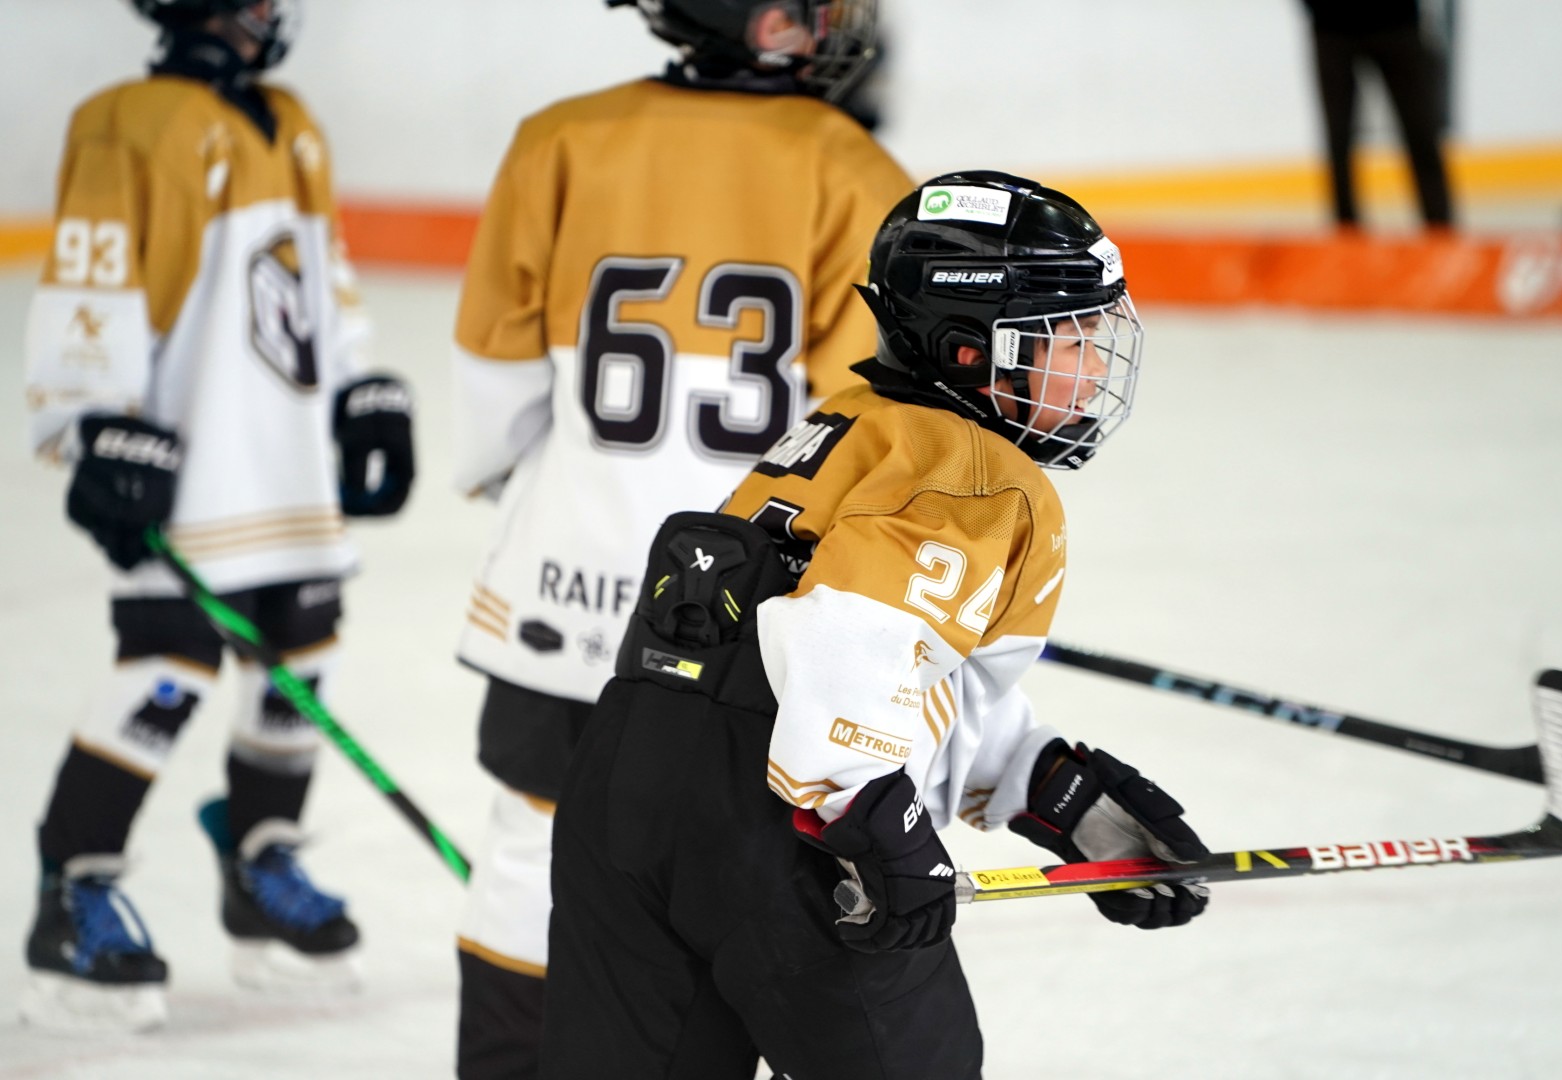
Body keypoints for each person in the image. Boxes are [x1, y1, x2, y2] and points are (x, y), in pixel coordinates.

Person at [536, 171, 1211, 1079]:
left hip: (624, 786)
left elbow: (891, 667)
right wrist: (877, 826)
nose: (1093, 366)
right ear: (971, 349)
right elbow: (843, 644)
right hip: (778, 831)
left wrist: (1054, 789)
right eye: (1070, 337)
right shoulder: (980, 471)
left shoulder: (850, 423)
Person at [447, 0, 910, 1075]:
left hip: (564, 584)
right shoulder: (851, 166)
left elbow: (493, 378)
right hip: (741, 614)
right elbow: (861, 425)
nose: (830, 24)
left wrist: (521, 483)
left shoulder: (561, 139)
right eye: (804, 8)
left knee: (527, 844)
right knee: (733, 869)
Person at [20, 0, 414, 1032]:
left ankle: (259, 863)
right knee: (168, 665)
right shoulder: (130, 120)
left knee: (303, 655)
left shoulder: (291, 119)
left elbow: (322, 273)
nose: (274, 13)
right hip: (185, 460)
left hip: (289, 462)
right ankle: (72, 892)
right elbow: (91, 280)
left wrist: (360, 385)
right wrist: (94, 422)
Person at [1301, 0, 1454, 228]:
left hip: (1398, 23)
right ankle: (1346, 233)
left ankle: (1441, 229)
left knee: (1422, 133)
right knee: (1338, 139)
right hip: (1331, 27)